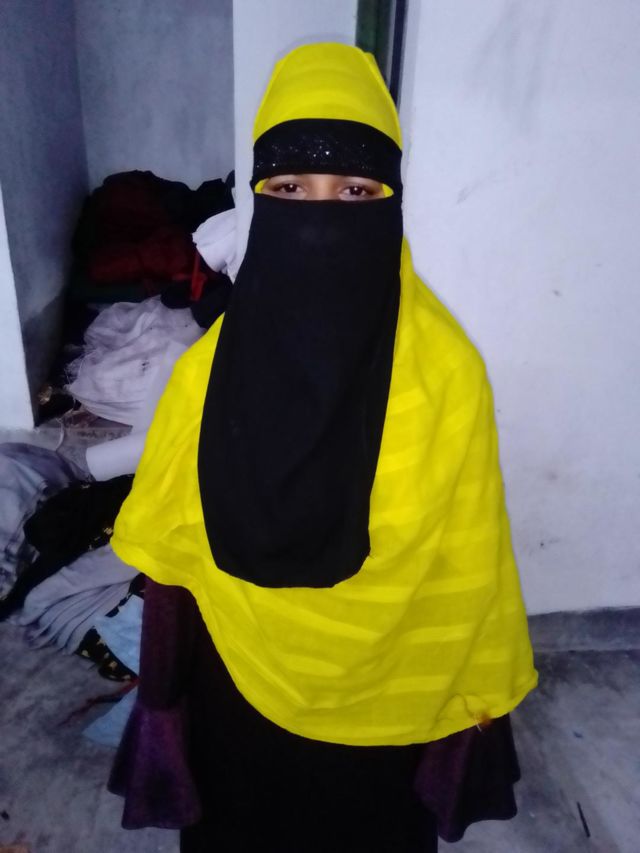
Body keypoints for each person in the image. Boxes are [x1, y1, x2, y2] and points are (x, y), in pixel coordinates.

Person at [109, 43, 537, 852]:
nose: (321, 214)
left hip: (392, 718)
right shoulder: (207, 378)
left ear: (391, 201)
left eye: (355, 191)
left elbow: (472, 572)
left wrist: (466, 730)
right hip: (233, 699)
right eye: (290, 189)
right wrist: (161, 707)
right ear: (258, 199)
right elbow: (170, 570)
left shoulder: (447, 375)